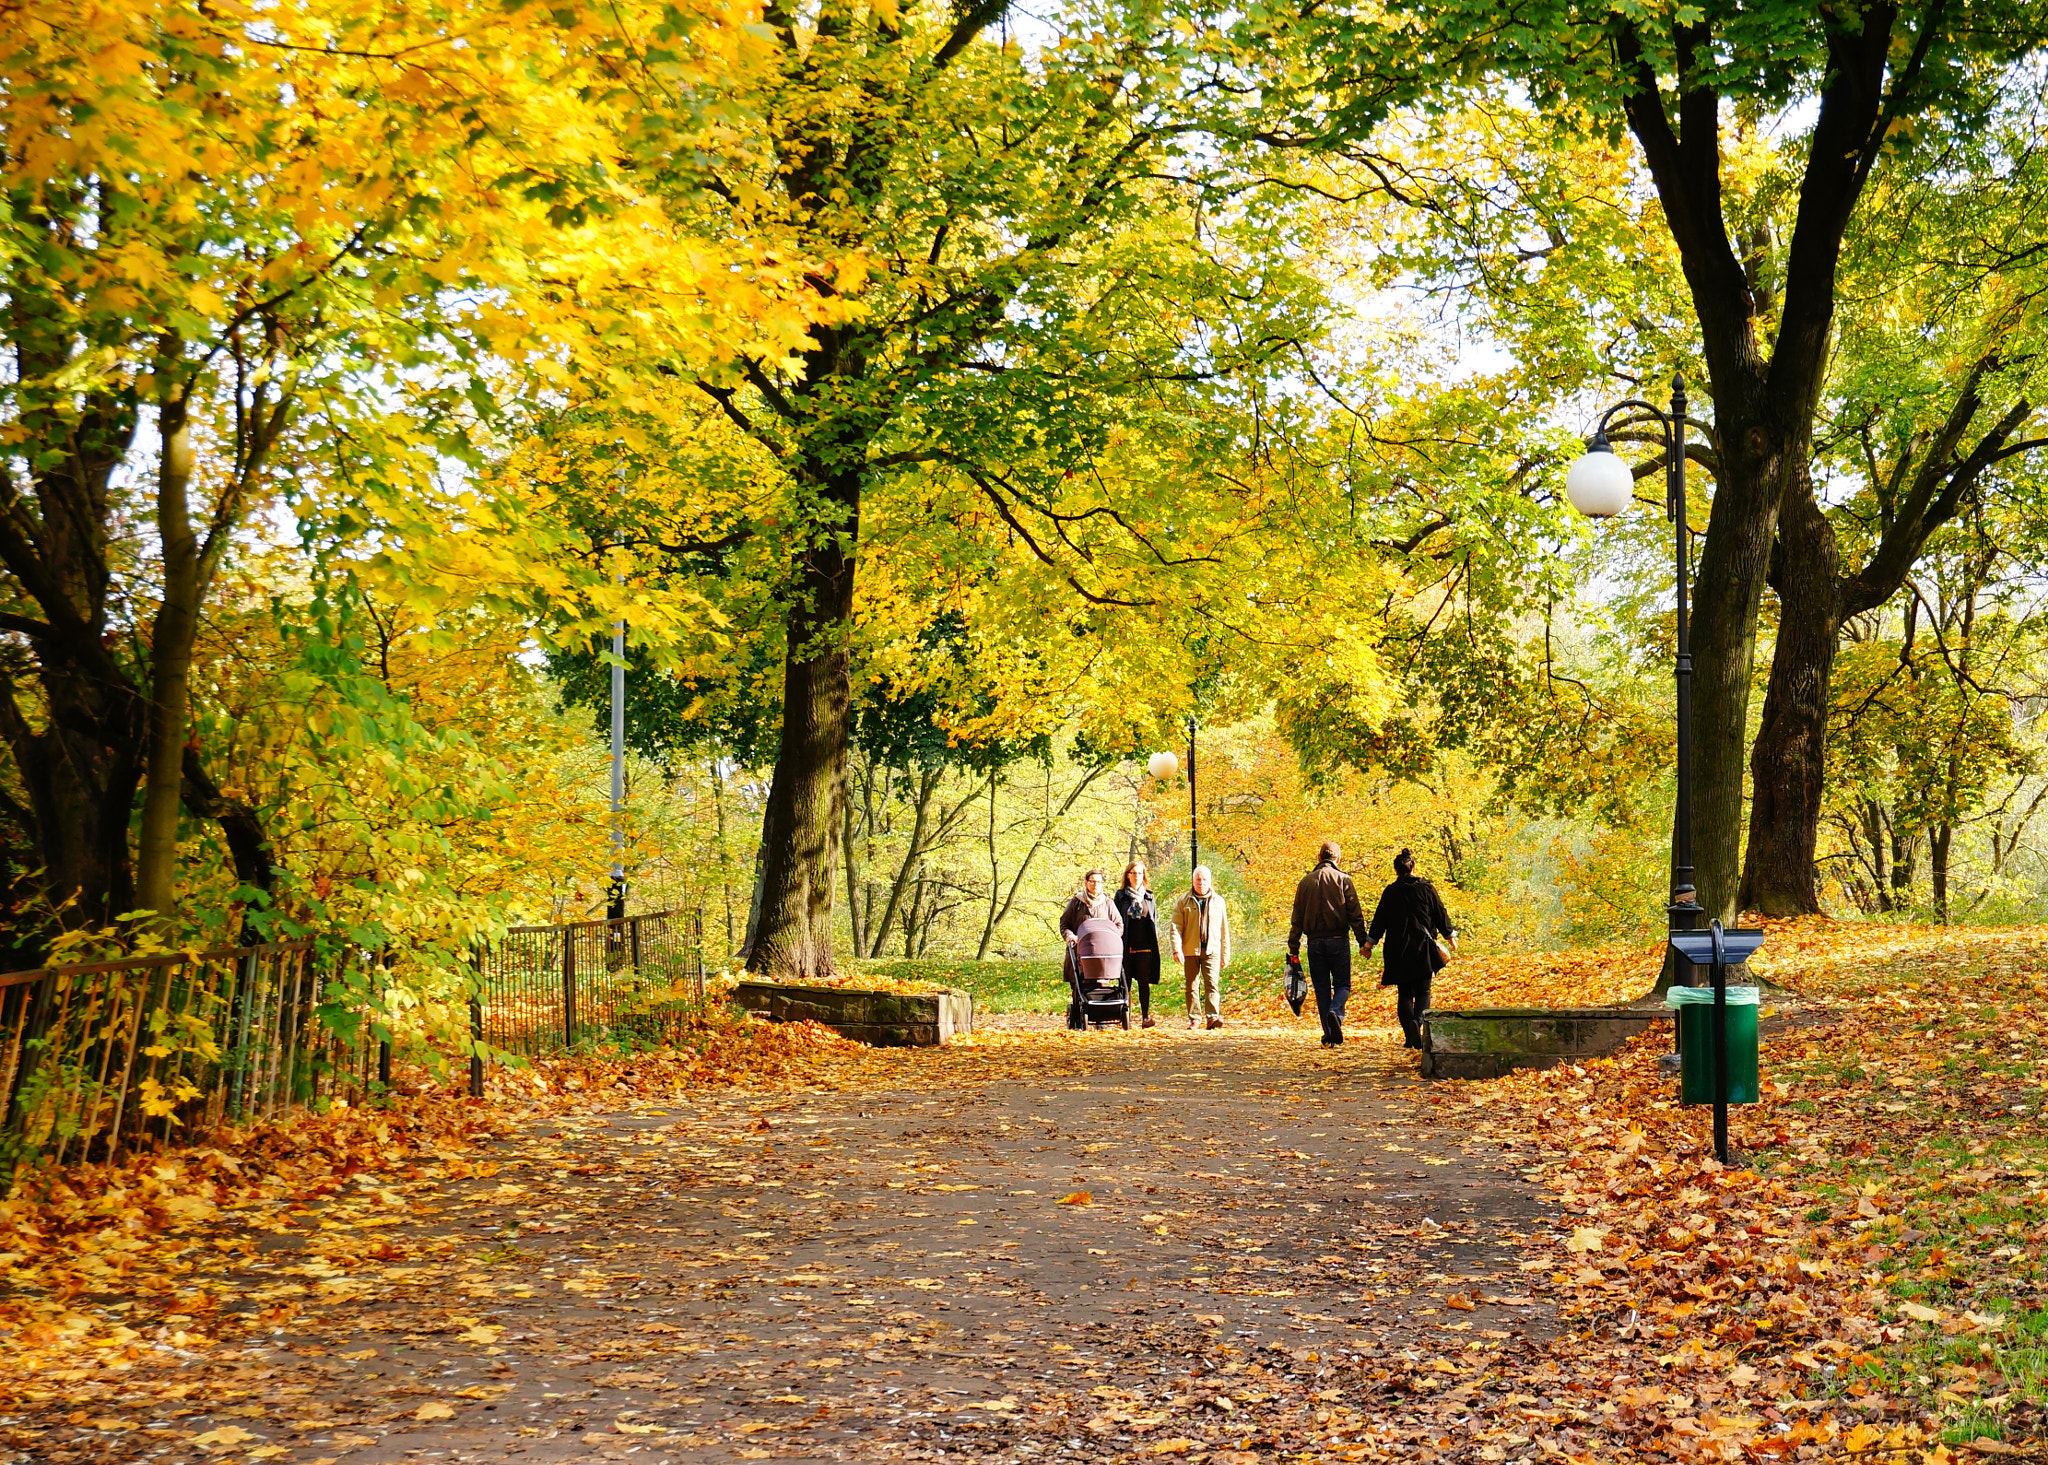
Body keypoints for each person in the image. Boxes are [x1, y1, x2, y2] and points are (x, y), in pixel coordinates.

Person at [1366, 847, 1457, 1051]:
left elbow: (1379, 921)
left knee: (1404, 993)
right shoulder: (1426, 888)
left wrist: (1369, 943)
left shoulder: (1390, 892)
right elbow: (1439, 912)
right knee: (1423, 991)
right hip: (1423, 949)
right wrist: (1450, 936)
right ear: (1413, 867)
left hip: (1398, 950)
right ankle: (1418, 1021)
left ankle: (1409, 1036)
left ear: (1396, 870)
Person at [1288, 840, 1369, 1046]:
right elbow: (1355, 914)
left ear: (1319, 858)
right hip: (1338, 941)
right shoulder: (1344, 880)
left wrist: (1294, 947)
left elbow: (1296, 918)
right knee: (1342, 984)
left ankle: (1329, 1033)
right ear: (1338, 859)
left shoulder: (1305, 883)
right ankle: (1336, 1013)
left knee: (1322, 988)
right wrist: (1363, 941)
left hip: (1314, 943)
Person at [1169, 865, 1231, 1030]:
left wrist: (1225, 953)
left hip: (1212, 950)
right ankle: (1194, 1018)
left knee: (1212, 984)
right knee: (1192, 986)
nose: (1201, 883)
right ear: (1193, 880)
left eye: (1204, 879)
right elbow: (1175, 927)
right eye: (1198, 879)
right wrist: (1177, 949)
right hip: (1190, 951)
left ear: (1210, 881)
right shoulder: (1183, 901)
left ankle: (1212, 1017)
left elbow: (1224, 929)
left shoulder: (1219, 901)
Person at [1113, 861, 1164, 1029]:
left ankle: (1145, 1017)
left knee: (1144, 982)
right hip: (1126, 946)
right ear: (1128, 875)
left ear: (1144, 876)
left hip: (1145, 947)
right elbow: (1115, 922)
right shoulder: (1120, 897)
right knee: (1125, 983)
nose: (1137, 877)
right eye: (1133, 873)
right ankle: (1125, 1017)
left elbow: (1153, 921)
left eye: (1140, 873)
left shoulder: (1149, 896)